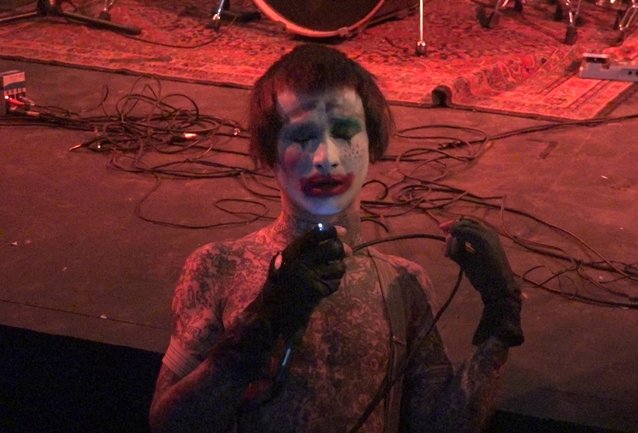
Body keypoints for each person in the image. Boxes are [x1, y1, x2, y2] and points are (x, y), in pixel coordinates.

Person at [148, 43, 523, 433]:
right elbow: (168, 426)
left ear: (372, 143)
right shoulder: (220, 267)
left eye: (344, 133)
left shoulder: (404, 285)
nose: (326, 157)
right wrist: (261, 324)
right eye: (303, 136)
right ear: (269, 151)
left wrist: (501, 319)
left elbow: (441, 427)